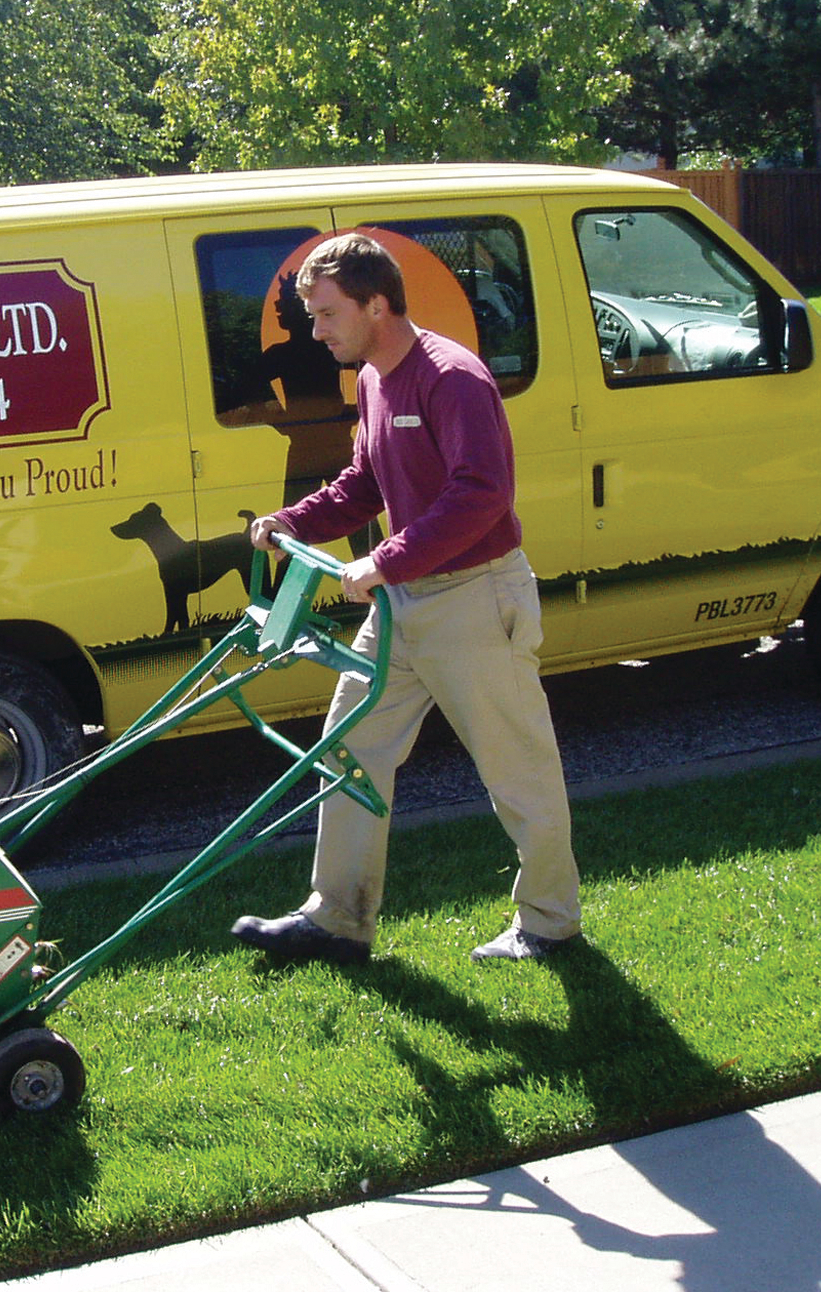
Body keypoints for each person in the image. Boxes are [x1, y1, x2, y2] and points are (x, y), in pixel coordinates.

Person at [234, 231, 581, 966]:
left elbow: (482, 495)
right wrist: (292, 521)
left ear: (378, 303)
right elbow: (364, 482)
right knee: (348, 749)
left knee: (517, 769)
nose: (316, 330)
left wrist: (383, 560)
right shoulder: (372, 379)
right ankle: (337, 920)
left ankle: (550, 923)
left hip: (475, 599)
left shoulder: (452, 378)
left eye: (327, 315)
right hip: (402, 605)